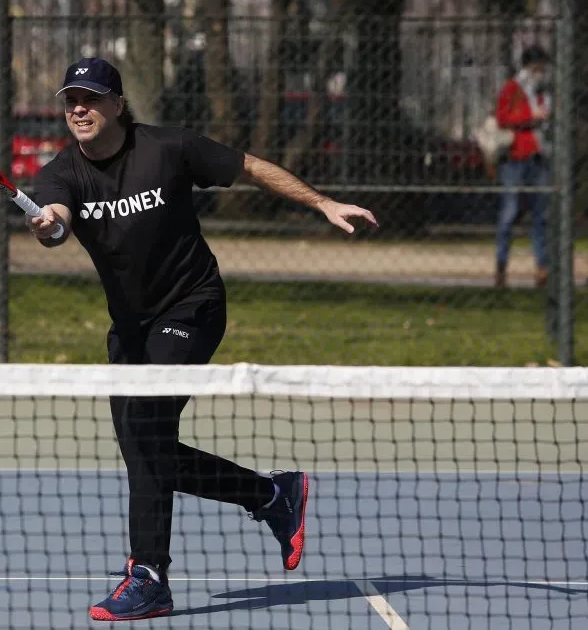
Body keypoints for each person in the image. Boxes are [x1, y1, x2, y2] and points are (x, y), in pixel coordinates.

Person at [27, 58, 378, 622]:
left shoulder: (168, 149)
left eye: (90, 98)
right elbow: (57, 216)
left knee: (145, 429)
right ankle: (270, 495)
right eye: (71, 98)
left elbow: (252, 167)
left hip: (193, 306)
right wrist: (50, 226)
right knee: (146, 448)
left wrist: (323, 203)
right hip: (132, 328)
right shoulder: (61, 173)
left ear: (117, 104)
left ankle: (148, 576)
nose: (78, 108)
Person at [494, 45, 552, 289]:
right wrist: (531, 117)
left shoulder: (543, 91)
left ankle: (541, 266)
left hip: (538, 155)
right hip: (515, 155)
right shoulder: (513, 88)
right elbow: (502, 118)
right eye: (537, 66)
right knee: (509, 212)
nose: (541, 71)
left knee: (541, 214)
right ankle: (501, 266)